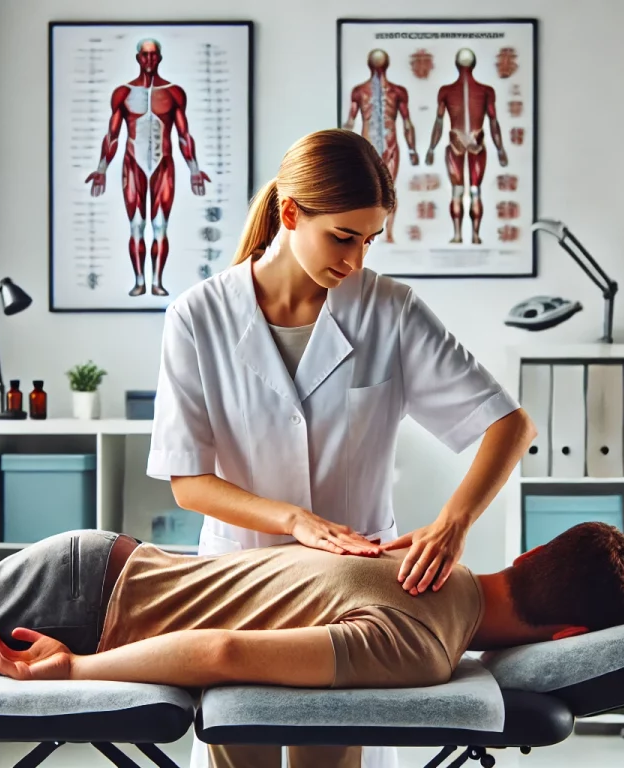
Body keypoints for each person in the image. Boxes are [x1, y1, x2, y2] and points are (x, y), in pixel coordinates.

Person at [146, 128, 537, 768]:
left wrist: (452, 523)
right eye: (343, 237)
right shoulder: (200, 316)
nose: (355, 261)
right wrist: (293, 520)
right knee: (239, 751)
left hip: (351, 597)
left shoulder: (390, 310)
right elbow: (188, 483)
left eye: (369, 240)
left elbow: (509, 425)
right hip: (243, 581)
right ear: (292, 213)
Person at [0, 522, 624, 768]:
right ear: (568, 636)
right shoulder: (423, 646)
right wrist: (75, 670)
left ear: (532, 554)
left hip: (100, 571)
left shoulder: (428, 563)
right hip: (83, 609)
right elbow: (223, 654)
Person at [85, 38, 211, 298]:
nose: (150, 60)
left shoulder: (174, 92)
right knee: (136, 225)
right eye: (145, 55)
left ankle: (157, 282)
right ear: (138, 58)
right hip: (133, 165)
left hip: (163, 164)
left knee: (161, 226)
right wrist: (101, 168)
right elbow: (112, 135)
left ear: (160, 58)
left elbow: (184, 135)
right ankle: (140, 281)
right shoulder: (123, 93)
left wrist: (195, 169)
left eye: (154, 55)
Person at [424, 48, 509, 245]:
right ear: (474, 65)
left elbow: (438, 122)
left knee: (458, 191)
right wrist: (500, 149)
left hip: (455, 145)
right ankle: (475, 235)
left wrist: (431, 148)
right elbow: (494, 122)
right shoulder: (486, 91)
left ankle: (458, 235)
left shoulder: (446, 91)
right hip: (477, 145)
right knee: (474, 191)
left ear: (456, 64)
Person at [343, 49, 419, 243]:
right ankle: (382, 234)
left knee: (382, 190)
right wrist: (412, 150)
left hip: (378, 146)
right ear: (387, 65)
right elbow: (408, 123)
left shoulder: (367, 91)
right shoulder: (368, 91)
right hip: (374, 146)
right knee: (384, 190)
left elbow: (349, 123)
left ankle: (386, 233)